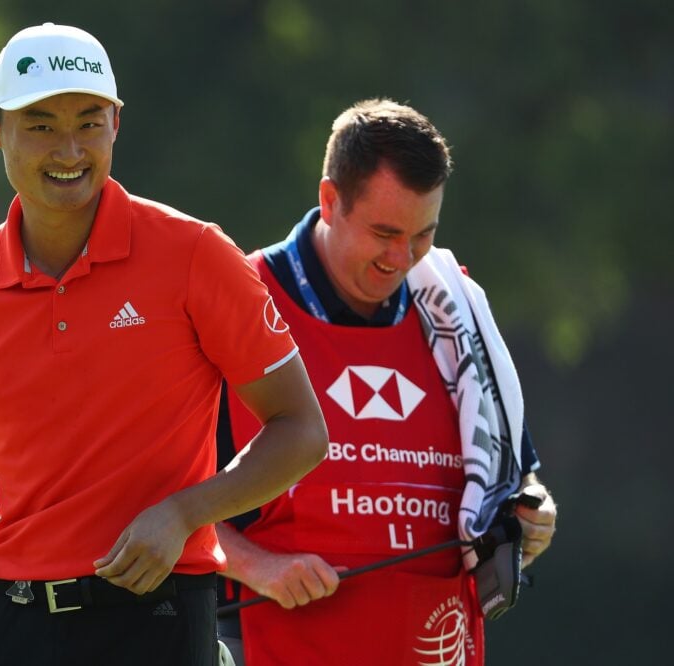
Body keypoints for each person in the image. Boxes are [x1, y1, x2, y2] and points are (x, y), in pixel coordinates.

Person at [0, 23, 328, 666]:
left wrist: (185, 513)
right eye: (40, 125)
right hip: (17, 625)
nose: (69, 149)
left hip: (158, 618)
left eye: (89, 123)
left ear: (116, 123)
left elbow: (301, 429)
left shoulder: (196, 255)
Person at [215, 99, 558, 665]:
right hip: (277, 648)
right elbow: (158, 498)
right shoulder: (240, 302)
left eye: (423, 234)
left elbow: (515, 479)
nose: (402, 258)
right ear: (330, 201)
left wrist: (534, 516)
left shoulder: (457, 309)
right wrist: (260, 568)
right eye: (384, 232)